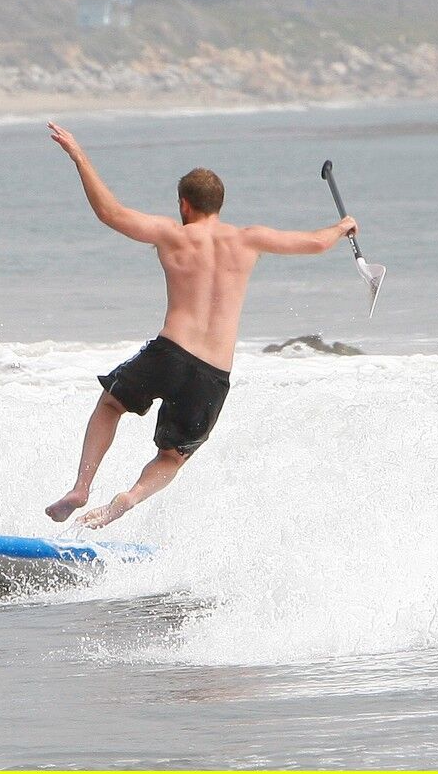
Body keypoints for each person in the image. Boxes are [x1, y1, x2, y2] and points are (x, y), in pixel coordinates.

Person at [43, 122, 357, 528]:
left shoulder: (173, 235)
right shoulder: (249, 239)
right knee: (173, 456)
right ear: (219, 205)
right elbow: (315, 243)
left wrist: (79, 156)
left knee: (111, 404)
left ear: (185, 204)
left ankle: (82, 486)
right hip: (213, 373)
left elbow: (110, 212)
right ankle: (129, 498)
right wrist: (342, 226)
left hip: (170, 352)